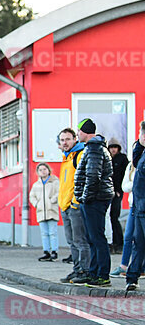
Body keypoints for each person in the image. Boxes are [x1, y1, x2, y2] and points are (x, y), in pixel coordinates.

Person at [72, 118, 115, 286]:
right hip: (94, 198)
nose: (77, 135)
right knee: (92, 237)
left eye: (79, 131)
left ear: (86, 132)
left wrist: (85, 198)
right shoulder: (92, 148)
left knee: (97, 237)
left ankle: (102, 275)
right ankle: (94, 272)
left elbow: (92, 176)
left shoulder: (95, 149)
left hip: (95, 199)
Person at [57, 128, 90, 283]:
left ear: (75, 139)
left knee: (80, 240)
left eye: (68, 139)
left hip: (74, 206)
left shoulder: (80, 155)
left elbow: (84, 180)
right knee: (71, 241)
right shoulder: (66, 158)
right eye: (62, 140)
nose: (65, 142)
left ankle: (84, 270)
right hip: (65, 206)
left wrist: (75, 202)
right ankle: (77, 269)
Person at [124, 122, 145, 290]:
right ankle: (132, 278)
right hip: (139, 206)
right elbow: (136, 162)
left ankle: (132, 276)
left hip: (143, 206)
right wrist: (139, 144)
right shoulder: (143, 152)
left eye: (141, 133)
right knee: (138, 243)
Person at [29, 163, 60, 262]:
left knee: (53, 232)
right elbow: (32, 196)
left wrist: (53, 200)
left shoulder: (54, 181)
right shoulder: (36, 185)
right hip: (41, 211)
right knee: (44, 233)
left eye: (45, 169)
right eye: (40, 170)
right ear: (38, 172)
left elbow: (59, 192)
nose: (43, 171)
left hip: (51, 210)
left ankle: (54, 251)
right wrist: (36, 204)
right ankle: (46, 251)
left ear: (48, 170)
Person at [108, 140, 128, 253]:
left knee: (114, 217)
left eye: (115, 147)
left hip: (118, 192)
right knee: (108, 218)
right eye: (111, 147)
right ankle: (111, 242)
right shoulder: (107, 158)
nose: (113, 149)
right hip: (108, 191)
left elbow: (125, 175)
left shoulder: (122, 159)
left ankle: (119, 243)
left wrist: (119, 190)